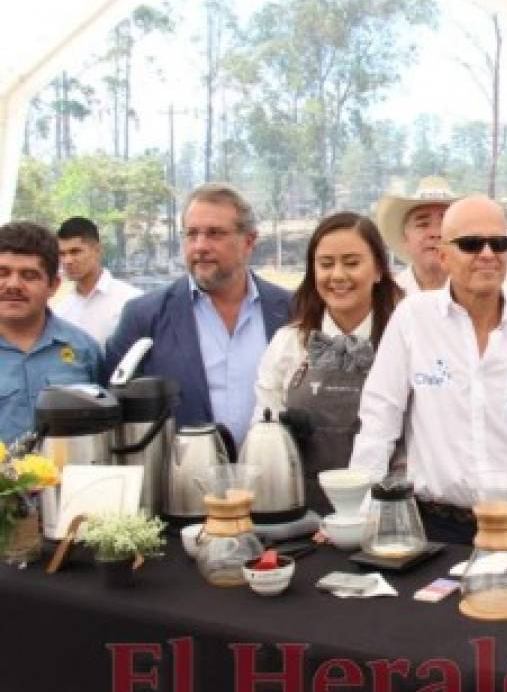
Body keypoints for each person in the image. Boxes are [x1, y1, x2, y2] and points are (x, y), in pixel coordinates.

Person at [350, 196, 507, 551]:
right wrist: (360, 518)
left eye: (498, 243)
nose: (487, 254)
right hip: (437, 529)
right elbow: (379, 423)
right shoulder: (412, 319)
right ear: (443, 256)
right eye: (471, 244)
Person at [105, 183, 291, 447]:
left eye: (214, 234)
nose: (200, 246)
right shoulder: (143, 317)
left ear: (249, 241)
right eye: (192, 234)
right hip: (181, 480)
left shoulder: (291, 311)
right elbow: (112, 407)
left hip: (274, 477)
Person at [254, 212, 403, 512]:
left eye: (351, 263)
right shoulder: (287, 343)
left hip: (387, 511)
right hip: (302, 512)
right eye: (325, 264)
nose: (337, 275)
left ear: (378, 270)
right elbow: (262, 428)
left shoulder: (404, 341)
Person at [0, 222, 101, 443]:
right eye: (3, 273)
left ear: (53, 285)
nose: (13, 285)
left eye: (29, 275)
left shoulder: (84, 351)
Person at [54, 216, 142, 345]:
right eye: (62, 254)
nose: (67, 261)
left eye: (75, 252)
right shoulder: (61, 308)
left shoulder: (131, 301)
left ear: (97, 250)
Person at [376, 176, 456, 295]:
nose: (435, 233)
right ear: (405, 238)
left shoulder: (480, 294)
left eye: (444, 224)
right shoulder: (387, 297)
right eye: (423, 224)